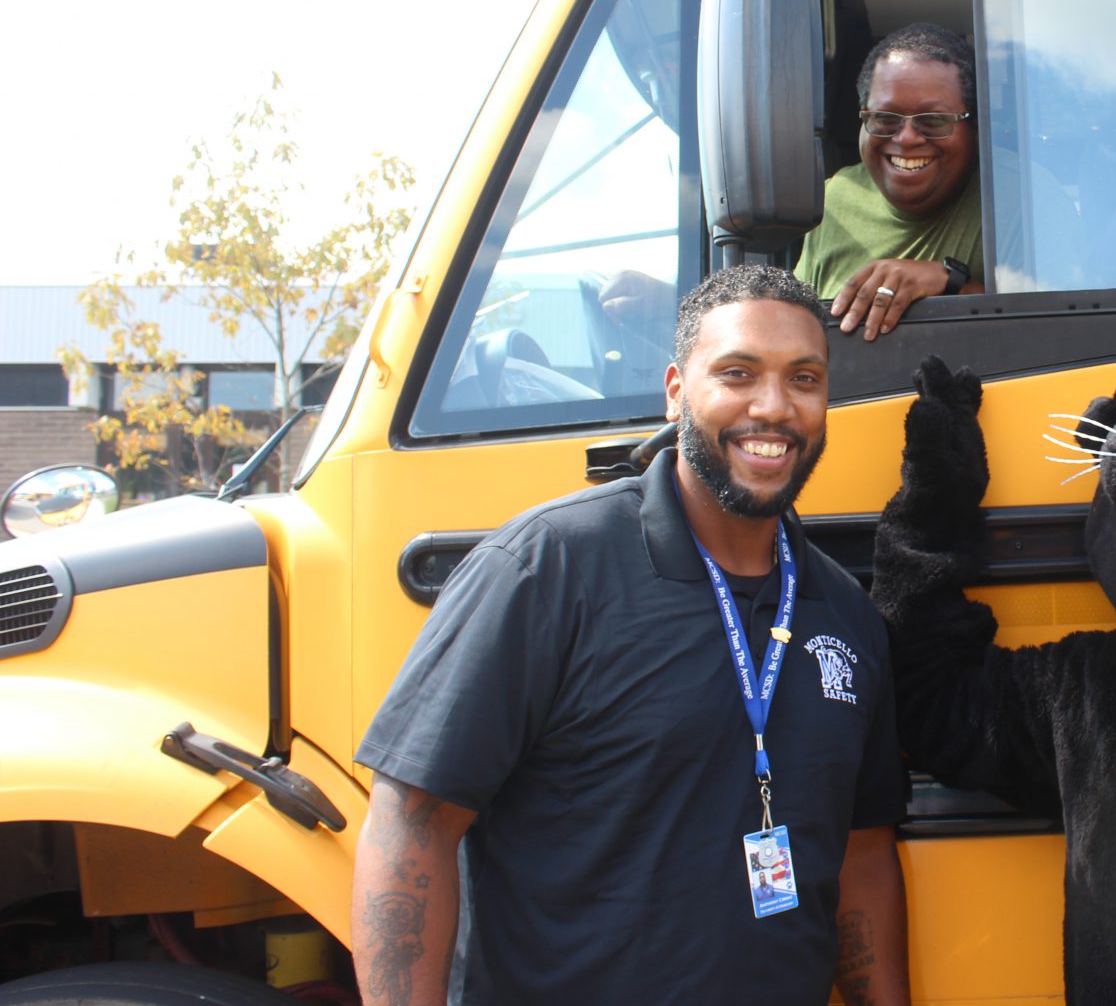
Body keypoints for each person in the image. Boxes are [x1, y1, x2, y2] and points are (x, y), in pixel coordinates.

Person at [351, 265, 909, 1006]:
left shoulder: (845, 615)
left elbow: (862, 855)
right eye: (737, 374)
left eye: (804, 380)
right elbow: (412, 826)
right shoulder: (547, 569)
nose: (773, 407)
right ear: (677, 390)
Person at [795, 22, 985, 341]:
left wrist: (949, 282)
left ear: (976, 127)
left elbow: (1060, 327)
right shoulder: (836, 200)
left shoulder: (1018, 196)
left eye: (933, 121)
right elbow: (796, 331)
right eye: (885, 119)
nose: (907, 138)